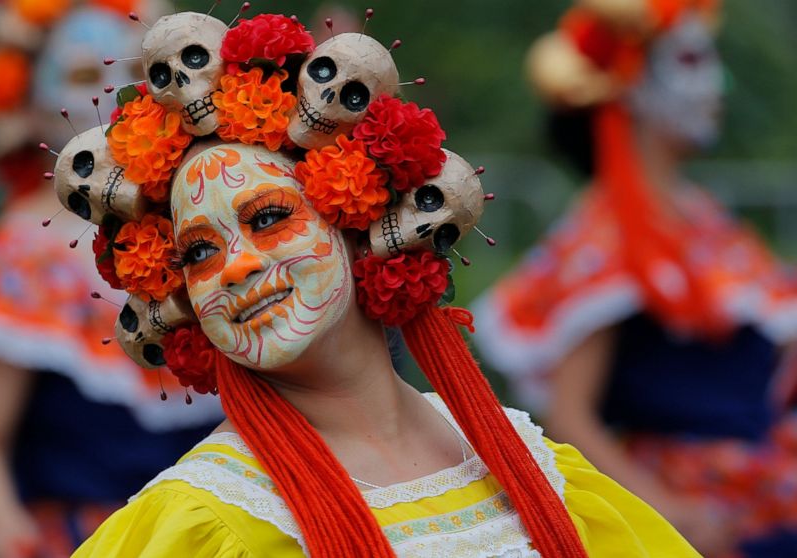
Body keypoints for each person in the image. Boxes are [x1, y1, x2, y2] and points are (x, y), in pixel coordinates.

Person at [42, 8, 699, 556]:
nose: (236, 267)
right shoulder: (202, 526)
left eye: (269, 218)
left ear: (359, 223)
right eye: (199, 252)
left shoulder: (537, 469)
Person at [0, 1, 221, 556]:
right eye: (84, 75)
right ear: (29, 96)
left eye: (133, 72)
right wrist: (4, 529)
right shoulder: (14, 261)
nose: (112, 91)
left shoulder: (201, 215)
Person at [471, 1, 797, 556]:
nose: (720, 81)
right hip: (701, 518)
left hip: (767, 497)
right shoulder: (607, 238)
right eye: (692, 59)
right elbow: (570, 415)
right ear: (629, 87)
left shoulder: (700, 217)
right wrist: (672, 515)